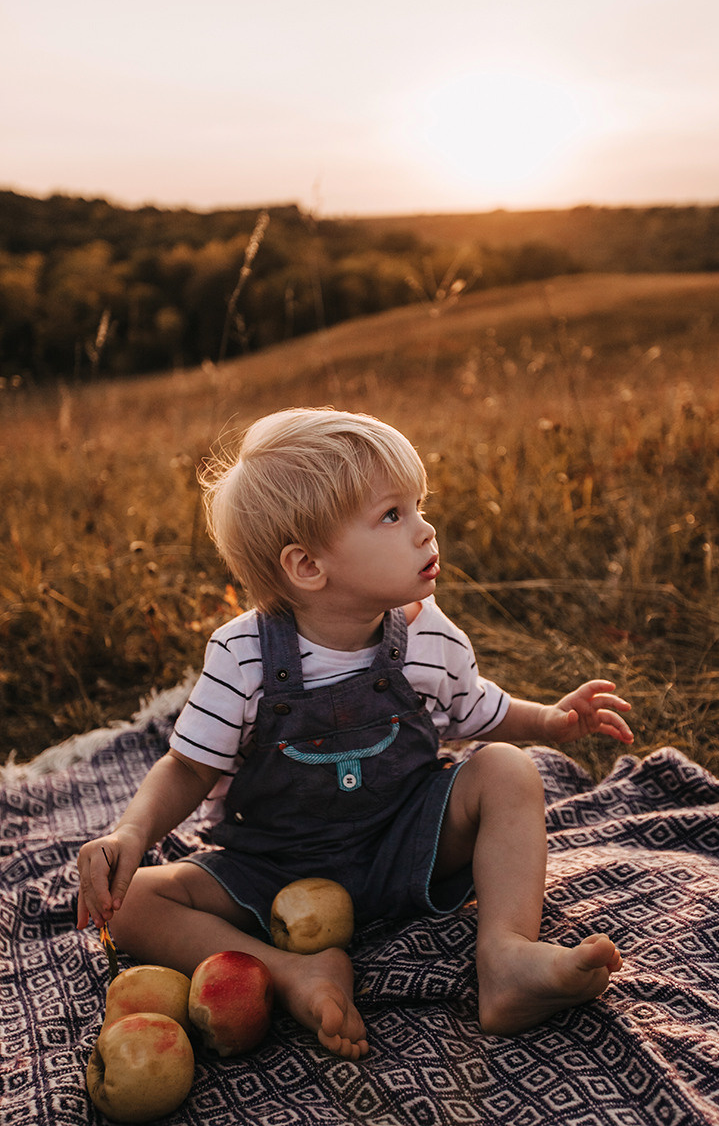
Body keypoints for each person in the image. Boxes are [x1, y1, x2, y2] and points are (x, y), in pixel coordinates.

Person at [77, 407, 633, 1060]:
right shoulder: (242, 656)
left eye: (418, 506)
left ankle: (507, 957)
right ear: (308, 566)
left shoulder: (428, 634)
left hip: (404, 846)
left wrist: (551, 720)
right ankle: (288, 972)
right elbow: (188, 767)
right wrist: (132, 834)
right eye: (392, 515)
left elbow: (475, 708)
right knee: (137, 902)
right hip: (274, 873)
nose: (426, 530)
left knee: (508, 768)